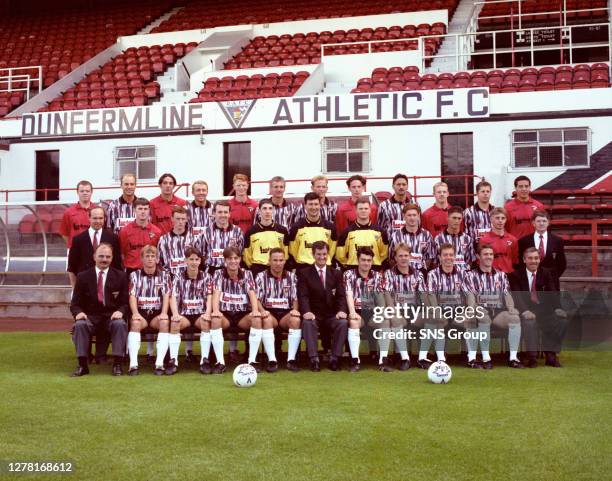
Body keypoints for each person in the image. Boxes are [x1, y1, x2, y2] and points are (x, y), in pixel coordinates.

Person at [69, 243, 128, 377]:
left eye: (108, 256)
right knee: (80, 325)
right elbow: (75, 304)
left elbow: (125, 302)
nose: (104, 259)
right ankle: (82, 365)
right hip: (90, 317)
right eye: (101, 256)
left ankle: (117, 364)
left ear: (112, 258)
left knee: (120, 324)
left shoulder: (121, 276)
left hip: (111, 317)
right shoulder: (83, 276)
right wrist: (79, 313)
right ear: (94, 257)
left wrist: (121, 311)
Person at [465, 244, 524, 369]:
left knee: (514, 318)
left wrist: (511, 308)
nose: (489, 257)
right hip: (480, 310)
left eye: (491, 254)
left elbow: (507, 294)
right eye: (485, 254)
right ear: (478, 257)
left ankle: (513, 358)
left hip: (497, 312)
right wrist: (474, 308)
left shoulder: (501, 275)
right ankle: (486, 358)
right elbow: (470, 296)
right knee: (483, 317)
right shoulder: (470, 275)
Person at [508, 247, 568, 368]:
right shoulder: (515, 275)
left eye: (536, 258)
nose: (533, 261)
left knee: (561, 320)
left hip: (544, 310)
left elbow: (552, 293)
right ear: (524, 260)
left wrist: (557, 308)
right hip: (524, 309)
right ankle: (532, 357)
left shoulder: (546, 273)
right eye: (530, 258)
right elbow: (517, 297)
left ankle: (551, 354)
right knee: (530, 323)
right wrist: (525, 311)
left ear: (539, 259)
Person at [297, 241, 348, 371]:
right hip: (314, 314)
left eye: (324, 254)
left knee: (342, 323)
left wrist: (342, 310)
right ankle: (314, 359)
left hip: (331, 315)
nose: (322, 257)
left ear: (328, 254)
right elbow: (303, 296)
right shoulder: (304, 273)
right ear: (313, 254)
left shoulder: (336, 273)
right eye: (318, 254)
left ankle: (335, 358)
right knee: (308, 323)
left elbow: (341, 296)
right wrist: (306, 312)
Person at [210, 246, 260, 372]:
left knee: (256, 320)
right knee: (215, 320)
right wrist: (215, 310)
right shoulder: (218, 274)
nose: (233, 261)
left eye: (236, 258)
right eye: (230, 258)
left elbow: (252, 293)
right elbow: (216, 292)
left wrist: (255, 310)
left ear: (240, 259)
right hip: (225, 313)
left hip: (242, 314)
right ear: (225, 260)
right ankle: (220, 362)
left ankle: (252, 361)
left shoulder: (247, 274)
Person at [126, 246, 172, 376]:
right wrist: (135, 313)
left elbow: (166, 295)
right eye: (147, 256)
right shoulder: (134, 275)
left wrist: (164, 313)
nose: (150, 259)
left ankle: (159, 364)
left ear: (157, 259)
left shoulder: (165, 275)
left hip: (157, 312)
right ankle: (133, 365)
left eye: (153, 256)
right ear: (142, 259)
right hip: (141, 312)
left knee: (164, 323)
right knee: (135, 323)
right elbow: (132, 295)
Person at [423, 243, 471, 364]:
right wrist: (436, 311)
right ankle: (441, 359)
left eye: (451, 255)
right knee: (437, 321)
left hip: (457, 311)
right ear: (439, 257)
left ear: (455, 257)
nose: (448, 258)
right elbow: (431, 294)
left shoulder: (463, 273)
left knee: (471, 321)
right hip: (440, 309)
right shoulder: (432, 274)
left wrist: (470, 310)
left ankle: (471, 358)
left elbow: (469, 294)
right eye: (445, 255)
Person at [382, 243, 427, 370]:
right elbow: (387, 295)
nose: (403, 258)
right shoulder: (389, 274)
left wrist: (423, 312)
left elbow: (423, 295)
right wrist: (393, 311)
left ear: (410, 257)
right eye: (400, 255)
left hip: (414, 309)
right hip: (397, 308)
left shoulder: (418, 274)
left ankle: (422, 358)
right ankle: (405, 359)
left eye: (406, 255)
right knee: (395, 320)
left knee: (430, 319)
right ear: (395, 258)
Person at [255, 248, 301, 372]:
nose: (278, 263)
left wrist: (296, 310)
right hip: (269, 311)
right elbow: (256, 298)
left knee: (296, 320)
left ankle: (291, 360)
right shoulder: (260, 276)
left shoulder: (292, 276)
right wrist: (262, 310)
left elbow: (296, 297)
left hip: (286, 312)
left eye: (281, 260)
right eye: (275, 260)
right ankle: (272, 360)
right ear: (269, 261)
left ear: (285, 261)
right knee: (267, 320)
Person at [169, 247, 213, 374]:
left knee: (205, 322)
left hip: (200, 314)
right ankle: (173, 361)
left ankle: (204, 360)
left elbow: (209, 296)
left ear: (200, 261)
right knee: (175, 324)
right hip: (185, 314)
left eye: (197, 259)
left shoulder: (207, 277)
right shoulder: (178, 277)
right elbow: (173, 296)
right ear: (185, 261)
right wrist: (176, 314)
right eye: (191, 259)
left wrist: (207, 313)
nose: (194, 262)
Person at [344, 247, 384, 372]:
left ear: (372, 261)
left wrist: (382, 312)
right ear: (358, 260)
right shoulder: (349, 274)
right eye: (363, 260)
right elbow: (348, 294)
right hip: (356, 310)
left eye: (369, 260)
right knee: (354, 322)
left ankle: (383, 360)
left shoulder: (377, 276)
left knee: (384, 322)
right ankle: (355, 360)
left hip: (372, 312)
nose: (366, 263)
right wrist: (352, 312)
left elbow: (380, 296)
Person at [68, 207, 121, 288]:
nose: (98, 221)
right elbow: (72, 267)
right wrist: (75, 289)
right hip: (85, 287)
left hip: (108, 286)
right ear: (89, 218)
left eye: (100, 218)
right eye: (95, 218)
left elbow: (117, 265)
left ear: (104, 219)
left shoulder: (113, 238)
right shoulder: (78, 239)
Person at [518, 210, 566, 289]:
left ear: (548, 223)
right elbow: (520, 263)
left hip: (551, 283)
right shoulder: (524, 241)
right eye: (538, 221)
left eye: (544, 221)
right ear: (533, 223)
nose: (541, 223)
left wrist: (552, 277)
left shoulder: (557, 241)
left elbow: (562, 263)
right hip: (530, 281)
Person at [335, 197, 388, 270]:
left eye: (366, 209)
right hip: (353, 271)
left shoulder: (380, 231)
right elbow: (340, 256)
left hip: (374, 270)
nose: (363, 211)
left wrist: (377, 267)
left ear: (370, 210)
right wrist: (350, 267)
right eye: (360, 209)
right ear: (356, 210)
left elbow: (384, 253)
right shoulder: (346, 232)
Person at [288, 192, 337, 269]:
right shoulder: (296, 227)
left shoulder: (330, 227)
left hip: (324, 267)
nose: (313, 207)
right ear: (305, 206)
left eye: (316, 204)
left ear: (320, 205)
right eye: (310, 204)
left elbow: (332, 250)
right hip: (303, 268)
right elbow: (293, 251)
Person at [243, 198, 289, 276]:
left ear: (273, 211)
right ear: (259, 211)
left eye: (270, 208)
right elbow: (247, 255)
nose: (267, 211)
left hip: (276, 268)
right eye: (264, 208)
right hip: (257, 269)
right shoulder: (251, 231)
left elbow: (285, 252)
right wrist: (253, 267)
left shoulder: (282, 230)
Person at [118, 198, 162, 275]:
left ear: (149, 210)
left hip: (150, 271)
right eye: (140, 209)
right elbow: (122, 254)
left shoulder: (157, 232)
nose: (143, 211)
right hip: (131, 271)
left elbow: (158, 254)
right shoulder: (125, 231)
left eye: (145, 209)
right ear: (134, 210)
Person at [388, 203, 435, 273]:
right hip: (401, 274)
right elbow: (391, 258)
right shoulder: (395, 236)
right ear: (404, 216)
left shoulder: (427, 235)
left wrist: (421, 271)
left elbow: (430, 257)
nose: (412, 218)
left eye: (414, 215)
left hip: (421, 273)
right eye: (409, 215)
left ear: (418, 216)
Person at [157, 206, 202, 278]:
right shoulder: (163, 240)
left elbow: (200, 259)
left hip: (189, 278)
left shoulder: (194, 238)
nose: (180, 222)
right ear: (172, 219)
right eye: (178, 219)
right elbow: (159, 261)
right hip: (169, 278)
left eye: (183, 219)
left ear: (187, 219)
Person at [202, 201, 244, 275]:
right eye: (220, 212)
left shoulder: (237, 231)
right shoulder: (206, 232)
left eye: (225, 212)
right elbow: (202, 254)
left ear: (229, 214)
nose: (223, 215)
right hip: (212, 271)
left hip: (232, 271)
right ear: (214, 213)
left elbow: (240, 251)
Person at [433, 206, 475, 271]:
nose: (456, 221)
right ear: (447, 218)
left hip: (462, 276)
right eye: (454, 218)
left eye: (459, 218)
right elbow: (435, 261)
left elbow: (470, 260)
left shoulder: (467, 239)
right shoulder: (438, 239)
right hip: (444, 275)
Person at [478, 207, 518, 274]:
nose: (500, 221)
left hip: (509, 274)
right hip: (491, 274)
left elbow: (515, 260)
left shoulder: (513, 239)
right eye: (497, 218)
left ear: (506, 220)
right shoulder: (484, 239)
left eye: (503, 218)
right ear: (491, 219)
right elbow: (481, 261)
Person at [505, 175, 545, 239]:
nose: (524, 189)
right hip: (516, 244)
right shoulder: (507, 207)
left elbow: (543, 227)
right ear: (515, 188)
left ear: (530, 188)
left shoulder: (539, 206)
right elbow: (505, 228)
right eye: (520, 186)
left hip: (534, 244)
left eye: (526, 186)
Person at [60, 180, 96, 248]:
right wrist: (74, 245)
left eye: (87, 191)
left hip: (94, 249)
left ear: (91, 192)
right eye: (82, 191)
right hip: (75, 249)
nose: (85, 193)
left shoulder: (97, 211)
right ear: (77, 192)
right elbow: (64, 234)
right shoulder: (69, 212)